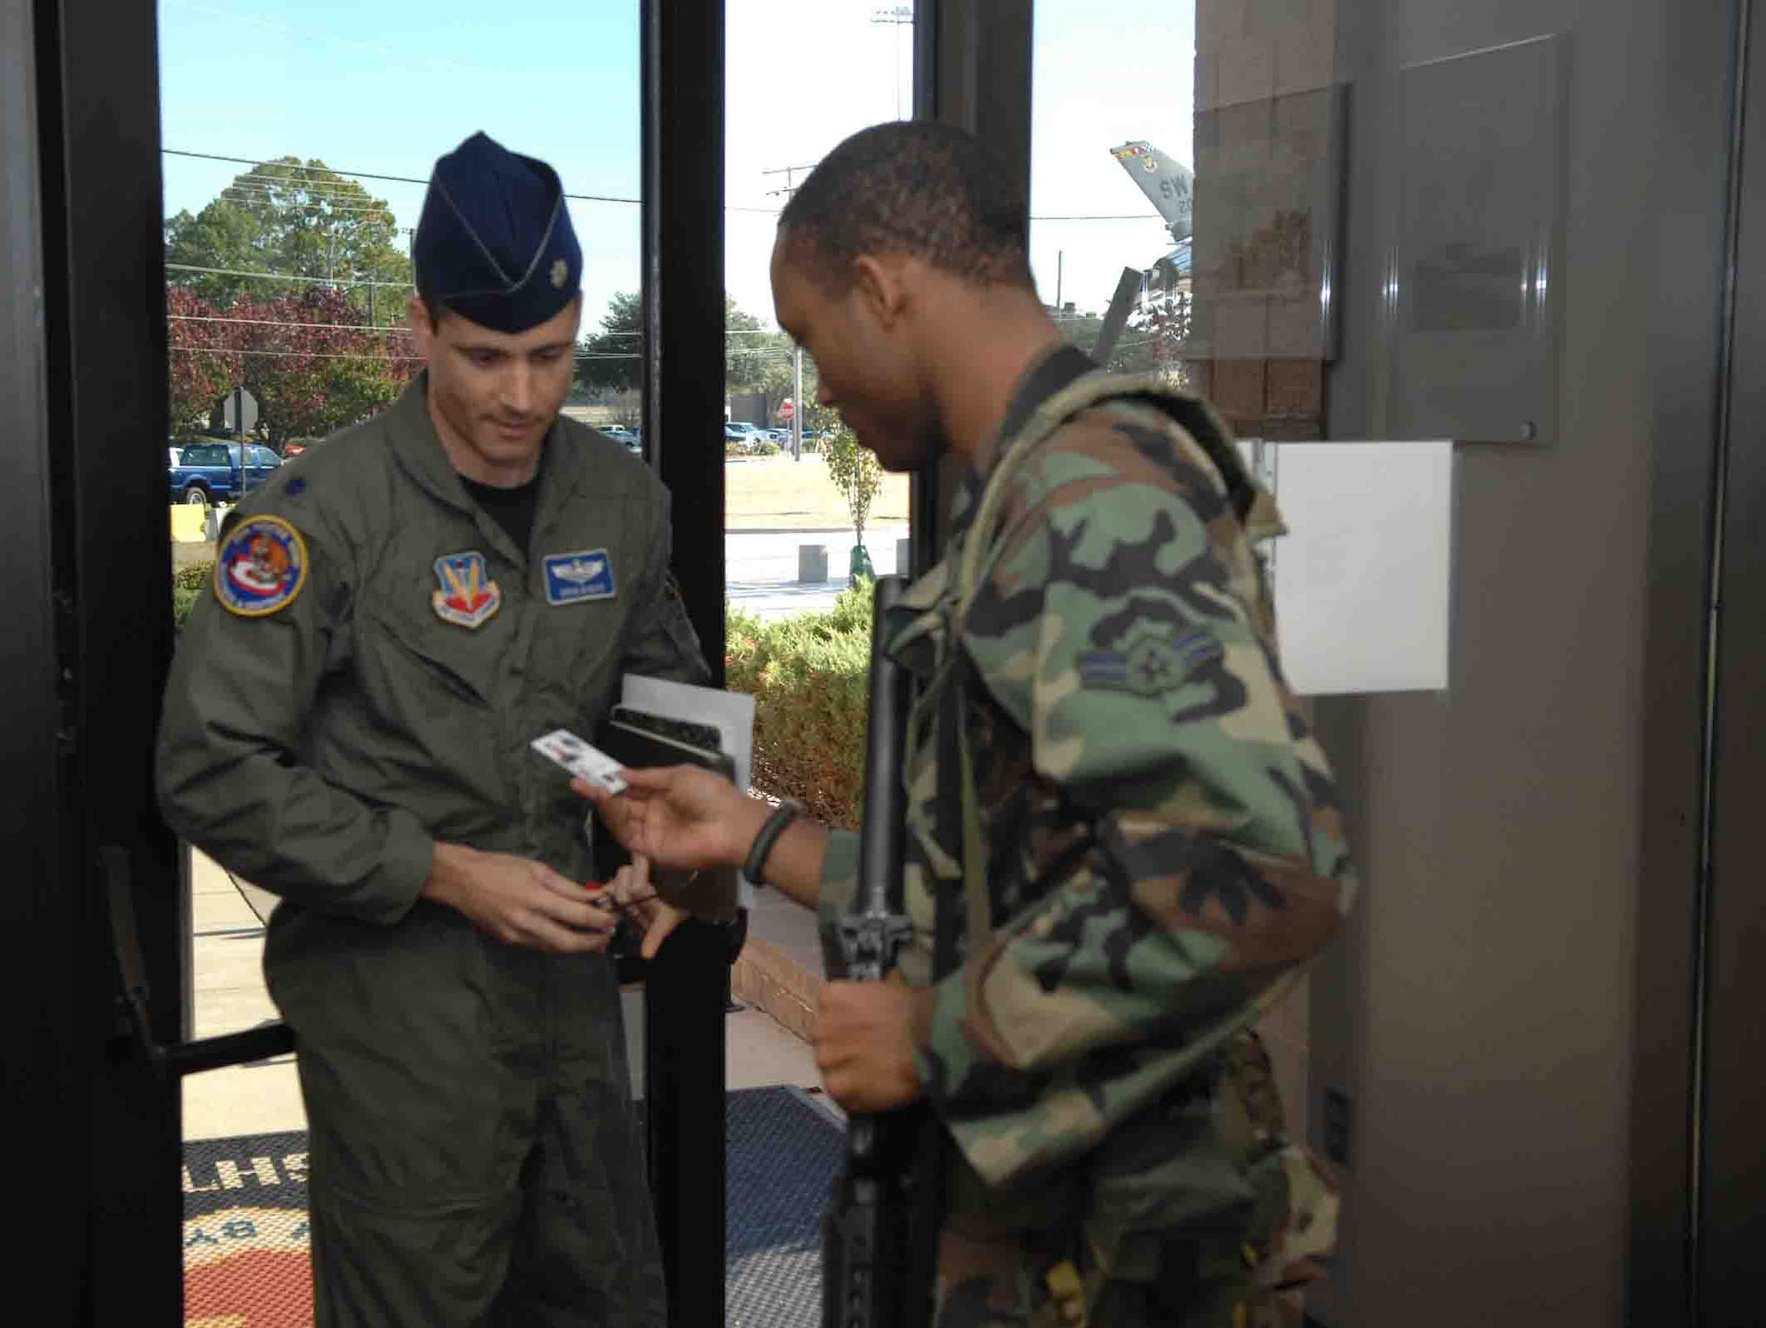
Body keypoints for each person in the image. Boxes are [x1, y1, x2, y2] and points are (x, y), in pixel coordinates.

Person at [576, 121, 1356, 1327]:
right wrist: (750, 833)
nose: (816, 383)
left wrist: (937, 1034)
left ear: (882, 290)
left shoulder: (1092, 492)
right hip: (1049, 1234)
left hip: (1120, 1255)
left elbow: (1258, 860)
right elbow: (1005, 878)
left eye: (806, 337)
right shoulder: (1027, 495)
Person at [155, 129, 710, 1328]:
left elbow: (661, 714)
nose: (522, 395)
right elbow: (209, 764)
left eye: (552, 356)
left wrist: (665, 840)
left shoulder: (621, 498)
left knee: (602, 1295)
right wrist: (444, 872)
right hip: (398, 1016)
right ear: (418, 327)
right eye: (486, 356)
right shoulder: (315, 516)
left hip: (571, 1002)